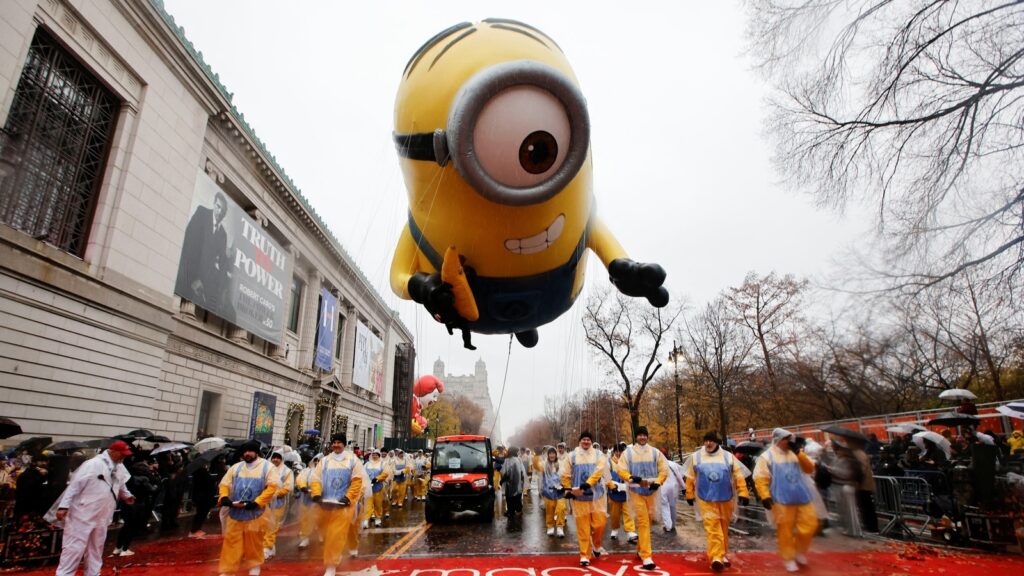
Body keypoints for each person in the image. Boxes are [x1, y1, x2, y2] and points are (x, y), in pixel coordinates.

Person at [54, 441, 136, 576]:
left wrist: (126, 496)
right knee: (74, 548)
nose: (124, 457)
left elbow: (120, 484)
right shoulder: (92, 464)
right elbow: (74, 485)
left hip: (102, 514)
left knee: (96, 549)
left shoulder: (119, 467)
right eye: (122, 454)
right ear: (113, 452)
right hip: (82, 514)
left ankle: (93, 573)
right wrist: (64, 506)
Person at [753, 428, 818, 573]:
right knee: (785, 530)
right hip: (781, 498)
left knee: (810, 524)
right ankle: (789, 557)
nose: (789, 442)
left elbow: (809, 469)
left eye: (790, 438)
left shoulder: (795, 454)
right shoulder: (767, 456)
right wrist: (765, 496)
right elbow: (760, 478)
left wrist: (799, 453)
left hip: (801, 495)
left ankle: (799, 551)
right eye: (785, 439)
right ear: (778, 439)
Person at [685, 431, 750, 572]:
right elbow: (690, 477)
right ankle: (716, 557)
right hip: (706, 499)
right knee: (713, 528)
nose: (708, 443)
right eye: (706, 440)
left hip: (725, 498)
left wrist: (743, 492)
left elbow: (738, 476)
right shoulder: (696, 457)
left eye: (711, 441)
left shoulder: (728, 457)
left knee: (723, 527)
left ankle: (722, 554)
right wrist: (689, 494)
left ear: (717, 442)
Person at [217, 440, 279, 576]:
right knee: (231, 542)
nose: (247, 453)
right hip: (236, 512)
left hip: (256, 513)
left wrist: (257, 502)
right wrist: (225, 497)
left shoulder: (267, 467)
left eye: (250, 450)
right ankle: (228, 570)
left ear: (256, 452)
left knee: (254, 542)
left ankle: (254, 567)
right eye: (245, 451)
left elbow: (272, 487)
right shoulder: (236, 468)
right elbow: (225, 484)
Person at [311, 433, 365, 576]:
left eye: (339, 442)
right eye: (334, 442)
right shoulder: (325, 461)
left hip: (343, 507)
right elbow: (316, 479)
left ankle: (331, 565)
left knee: (335, 535)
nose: (336, 445)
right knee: (327, 534)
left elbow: (357, 481)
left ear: (344, 444)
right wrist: (316, 494)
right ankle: (335, 555)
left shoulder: (353, 460)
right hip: (326, 505)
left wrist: (347, 498)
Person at [616, 426, 668, 571]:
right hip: (636, 492)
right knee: (643, 522)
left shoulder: (655, 452)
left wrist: (658, 482)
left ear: (647, 437)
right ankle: (647, 557)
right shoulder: (628, 453)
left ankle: (640, 549)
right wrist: (631, 477)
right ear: (636, 437)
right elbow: (621, 469)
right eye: (640, 435)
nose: (642, 438)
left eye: (644, 435)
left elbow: (664, 469)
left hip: (651, 492)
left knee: (648, 522)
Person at [175, 190, 234, 319]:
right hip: (187, 274)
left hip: (204, 281)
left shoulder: (223, 234)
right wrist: (193, 277)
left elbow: (222, 261)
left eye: (223, 211)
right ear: (214, 204)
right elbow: (188, 245)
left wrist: (230, 273)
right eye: (218, 207)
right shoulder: (201, 213)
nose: (219, 212)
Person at [561, 431, 608, 568]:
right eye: (583, 439)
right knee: (583, 528)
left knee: (599, 524)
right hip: (579, 497)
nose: (586, 441)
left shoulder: (599, 455)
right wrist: (567, 489)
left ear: (591, 441)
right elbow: (565, 474)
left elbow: (600, 471)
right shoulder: (572, 456)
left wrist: (589, 483)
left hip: (597, 496)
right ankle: (584, 555)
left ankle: (596, 545)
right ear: (580, 441)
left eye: (588, 439)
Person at [114, 461, 160, 557]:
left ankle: (118, 548)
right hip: (138, 505)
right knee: (132, 527)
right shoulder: (144, 479)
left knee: (126, 526)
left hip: (126, 504)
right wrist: (157, 484)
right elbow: (152, 490)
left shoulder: (128, 479)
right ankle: (125, 549)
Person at [263, 452, 295, 559]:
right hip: (265, 502)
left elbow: (288, 487)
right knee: (265, 525)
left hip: (278, 503)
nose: (275, 460)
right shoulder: (267, 469)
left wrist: (276, 494)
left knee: (272, 525)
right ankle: (270, 547)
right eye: (274, 457)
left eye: (278, 458)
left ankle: (267, 547)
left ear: (282, 459)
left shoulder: (287, 471)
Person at [606, 442, 637, 543]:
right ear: (614, 451)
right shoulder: (609, 463)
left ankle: (630, 531)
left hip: (626, 492)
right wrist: (611, 486)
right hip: (614, 493)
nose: (619, 453)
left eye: (621, 451)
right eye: (617, 451)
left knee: (628, 512)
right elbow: (606, 476)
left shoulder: (628, 462)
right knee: (614, 514)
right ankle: (614, 529)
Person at [539, 446, 567, 538]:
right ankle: (550, 527)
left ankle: (560, 527)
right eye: (550, 453)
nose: (552, 455)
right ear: (548, 455)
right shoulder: (544, 465)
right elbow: (541, 479)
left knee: (561, 509)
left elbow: (565, 476)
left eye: (553, 453)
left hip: (560, 491)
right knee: (550, 510)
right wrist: (541, 490)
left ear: (556, 454)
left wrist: (564, 486)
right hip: (548, 491)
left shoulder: (561, 464)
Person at [295, 454, 321, 548]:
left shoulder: (325, 471)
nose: (317, 462)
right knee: (305, 518)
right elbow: (300, 479)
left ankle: (321, 534)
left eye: (319, 461)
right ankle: (305, 538)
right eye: (315, 460)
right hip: (307, 498)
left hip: (320, 498)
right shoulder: (306, 471)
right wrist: (303, 487)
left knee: (320, 518)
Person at [13, 453, 50, 520]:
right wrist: (41, 477)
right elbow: (28, 491)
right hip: (26, 511)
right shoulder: (26, 475)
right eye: (41, 461)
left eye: (45, 461)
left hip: (39, 511)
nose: (44, 463)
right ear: (33, 463)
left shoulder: (45, 474)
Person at [189, 458, 219, 539]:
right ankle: (194, 530)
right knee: (201, 514)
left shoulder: (200, 472)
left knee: (201, 514)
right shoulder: (201, 472)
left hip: (202, 497)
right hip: (203, 497)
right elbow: (207, 483)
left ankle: (197, 529)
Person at [363, 451, 388, 527]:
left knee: (378, 504)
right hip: (368, 487)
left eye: (376, 455)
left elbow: (385, 473)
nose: (374, 456)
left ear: (379, 456)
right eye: (373, 455)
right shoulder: (367, 464)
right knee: (368, 504)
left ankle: (378, 519)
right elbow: (362, 473)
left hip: (378, 487)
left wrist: (377, 479)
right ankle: (366, 520)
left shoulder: (382, 464)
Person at [660, 456, 685, 533]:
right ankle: (673, 524)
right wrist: (684, 487)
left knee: (664, 506)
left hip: (662, 487)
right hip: (674, 487)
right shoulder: (672, 464)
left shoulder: (657, 465)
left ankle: (668, 526)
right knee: (673, 506)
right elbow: (680, 476)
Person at [501, 446, 527, 517]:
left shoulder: (516, 459)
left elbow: (521, 471)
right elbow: (505, 470)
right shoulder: (508, 460)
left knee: (514, 497)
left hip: (515, 482)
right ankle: (511, 510)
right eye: (516, 451)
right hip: (511, 482)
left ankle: (517, 510)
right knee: (511, 497)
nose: (517, 453)